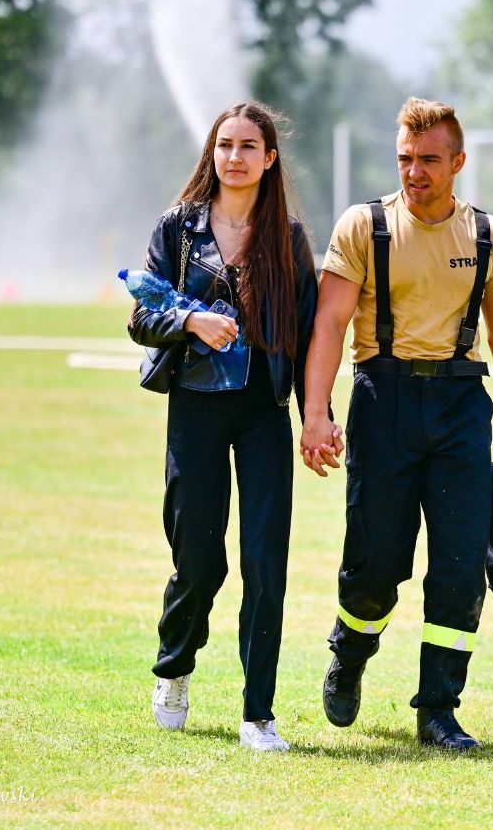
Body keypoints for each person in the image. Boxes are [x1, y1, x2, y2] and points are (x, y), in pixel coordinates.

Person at [299, 97, 493, 751]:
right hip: (384, 402)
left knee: (461, 568)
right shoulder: (363, 227)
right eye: (406, 159)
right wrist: (316, 413)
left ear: (458, 162)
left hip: (463, 405)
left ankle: (438, 710)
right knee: (376, 564)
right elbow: (328, 323)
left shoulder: (490, 236)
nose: (415, 172)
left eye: (430, 160)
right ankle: (349, 654)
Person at [127, 101, 326, 752]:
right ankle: (174, 667)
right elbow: (140, 316)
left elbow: (301, 339)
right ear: (212, 154)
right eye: (225, 145)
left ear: (270, 159)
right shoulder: (178, 229)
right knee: (199, 559)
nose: (234, 156)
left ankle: (258, 715)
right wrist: (190, 321)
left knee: (266, 563)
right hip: (196, 407)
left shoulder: (289, 239)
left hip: (264, 413)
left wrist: (313, 418)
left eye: (248, 146)